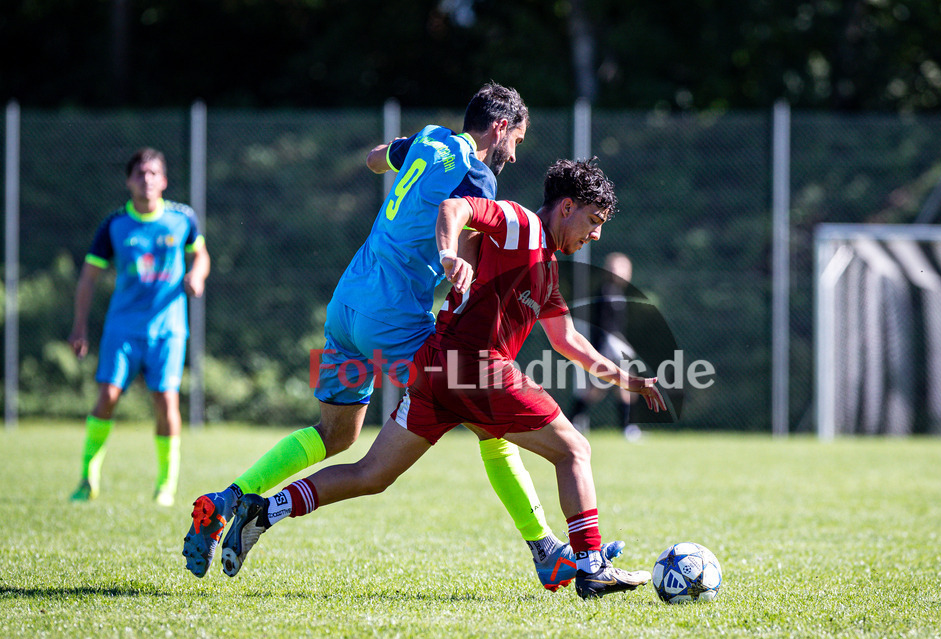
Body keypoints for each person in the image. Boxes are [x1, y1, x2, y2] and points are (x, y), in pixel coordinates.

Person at [183, 83, 620, 589]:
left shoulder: (431, 138)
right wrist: (454, 258)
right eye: (517, 139)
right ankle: (546, 550)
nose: (516, 153)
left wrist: (407, 163)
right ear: (500, 127)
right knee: (482, 411)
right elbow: (466, 235)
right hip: (392, 317)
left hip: (347, 303)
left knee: (337, 434)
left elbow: (374, 159)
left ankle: (226, 500)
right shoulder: (478, 177)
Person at [220, 158, 666, 600]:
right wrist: (449, 253)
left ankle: (263, 511)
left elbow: (567, 340)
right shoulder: (521, 223)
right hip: (477, 367)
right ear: (566, 207)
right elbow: (455, 209)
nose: (596, 235)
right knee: (574, 449)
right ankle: (591, 565)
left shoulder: (546, 265)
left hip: (438, 372)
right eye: (594, 220)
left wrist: (628, 380)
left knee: (371, 474)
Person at [69, 147, 210, 506]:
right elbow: (88, 278)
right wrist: (80, 326)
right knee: (108, 397)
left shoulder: (182, 218)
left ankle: (166, 485)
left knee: (165, 400)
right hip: (123, 329)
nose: (146, 180)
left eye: (153, 173)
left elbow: (201, 254)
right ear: (129, 181)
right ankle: (88, 476)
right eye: (139, 174)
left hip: (168, 329)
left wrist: (196, 274)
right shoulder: (115, 225)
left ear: (163, 180)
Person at [569, 252, 643, 441]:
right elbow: (605, 328)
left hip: (611, 350)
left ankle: (573, 421)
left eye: (625, 269)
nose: (622, 272)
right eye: (618, 268)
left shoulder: (616, 293)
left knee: (599, 390)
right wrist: (617, 347)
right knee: (622, 386)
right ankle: (628, 428)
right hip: (606, 351)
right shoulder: (606, 292)